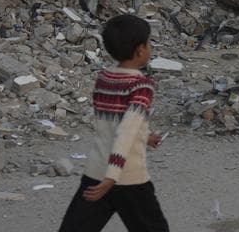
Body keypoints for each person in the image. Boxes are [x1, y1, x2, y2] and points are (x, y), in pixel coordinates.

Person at [58, 14, 169, 232]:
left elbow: (114, 126)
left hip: (96, 172)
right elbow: (126, 130)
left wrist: (145, 137)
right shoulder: (141, 86)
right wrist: (113, 177)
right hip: (126, 177)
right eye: (148, 44)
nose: (150, 48)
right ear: (139, 50)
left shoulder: (104, 79)